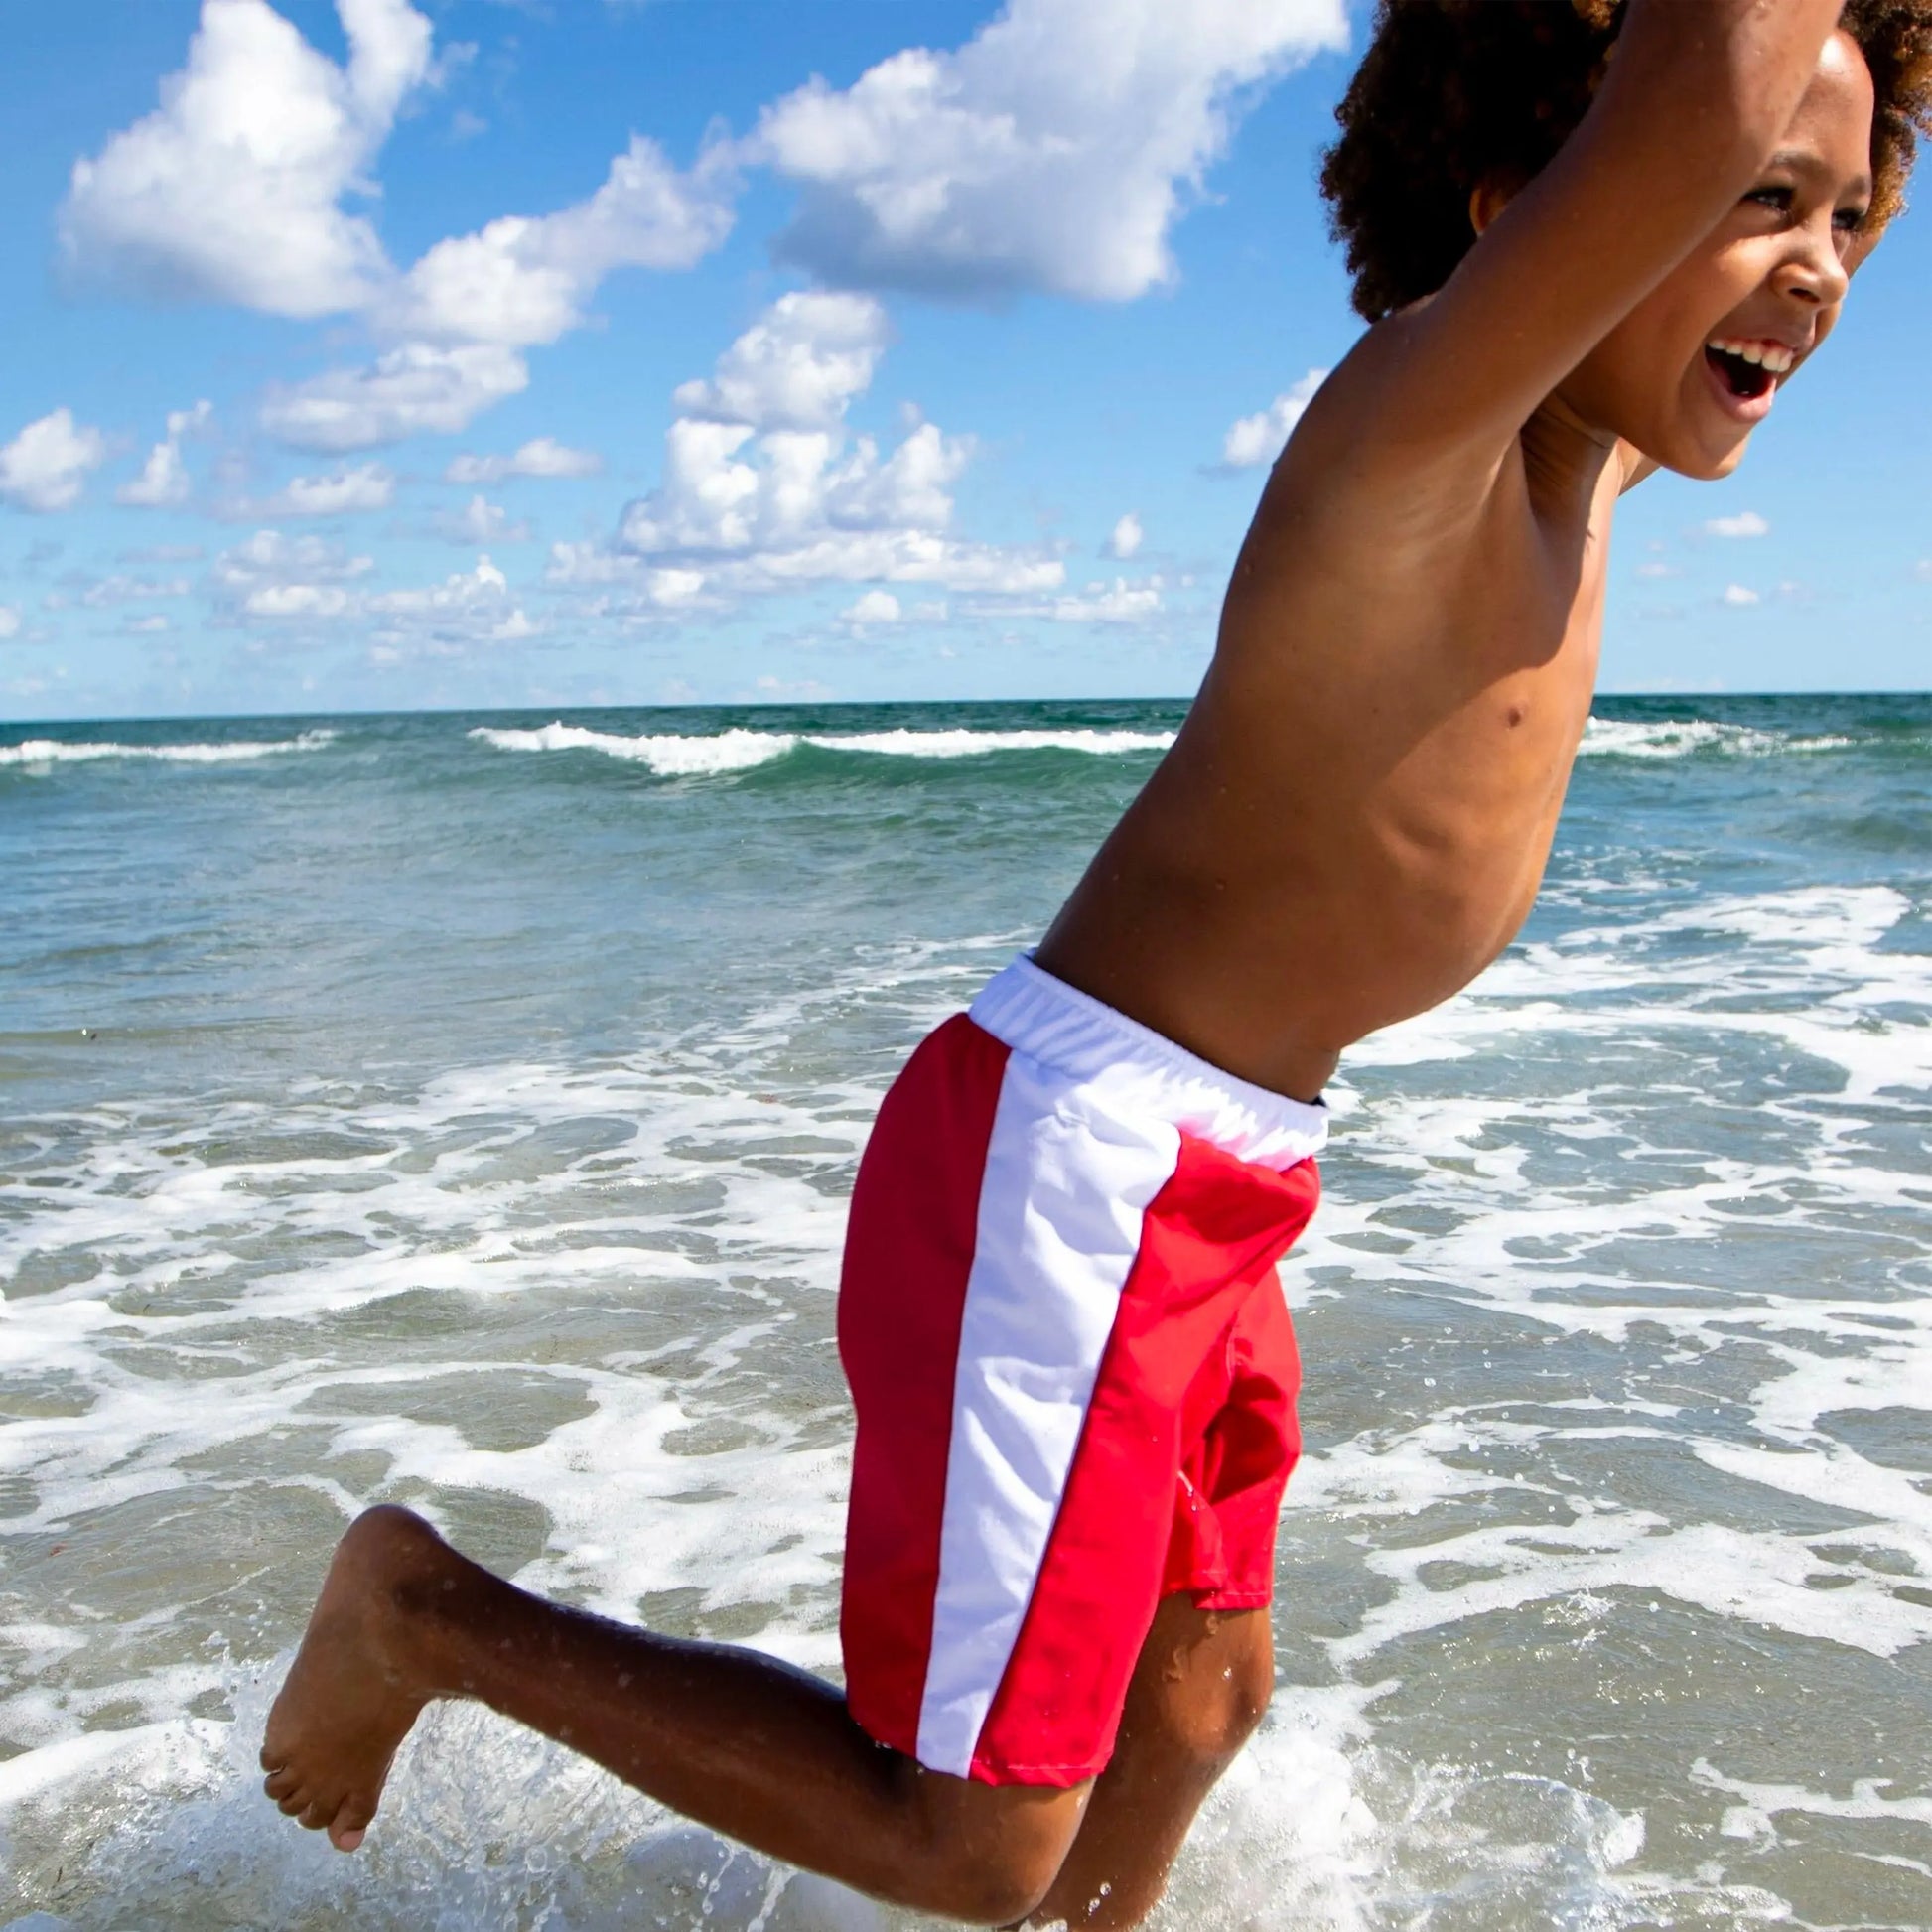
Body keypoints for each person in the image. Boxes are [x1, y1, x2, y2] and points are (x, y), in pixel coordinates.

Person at [259, 3, 1931, 1925]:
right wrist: (1720, 94)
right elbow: (1696, 81)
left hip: (1220, 1179)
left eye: (1854, 209)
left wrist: (1837, 127)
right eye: (1759, 200)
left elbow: (1764, 149)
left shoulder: (1588, 475)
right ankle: (420, 1611)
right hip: (1072, 1166)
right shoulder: (1419, 441)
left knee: (1199, 1707)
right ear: (1530, 215)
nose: (1819, 259)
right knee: (967, 1837)